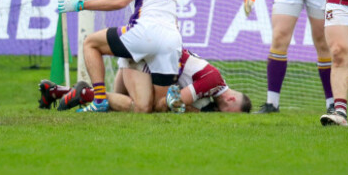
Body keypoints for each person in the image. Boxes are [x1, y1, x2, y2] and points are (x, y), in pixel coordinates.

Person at [58, 0, 182, 113]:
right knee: (153, 107)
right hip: (172, 41)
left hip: (145, 33)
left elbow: (120, 1)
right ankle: (173, 99)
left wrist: (81, 4)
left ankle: (98, 99)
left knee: (90, 43)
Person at [39, 49, 252, 114]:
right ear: (232, 99)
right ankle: (85, 94)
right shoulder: (213, 81)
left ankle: (55, 91)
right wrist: (196, 113)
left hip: (141, 60)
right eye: (232, 115)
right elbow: (172, 101)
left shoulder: (214, 86)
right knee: (142, 108)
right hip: (143, 62)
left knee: (117, 108)